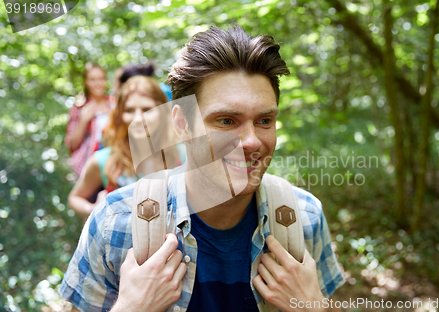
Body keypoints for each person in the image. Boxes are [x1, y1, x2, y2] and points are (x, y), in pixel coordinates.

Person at [60, 25, 344, 312]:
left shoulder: (304, 218)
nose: (251, 141)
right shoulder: (114, 224)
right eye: (226, 121)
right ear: (182, 125)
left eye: (264, 120)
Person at [67, 75, 183, 218]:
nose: (138, 118)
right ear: (119, 115)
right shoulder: (103, 161)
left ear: (162, 112)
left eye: (147, 109)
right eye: (129, 110)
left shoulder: (183, 156)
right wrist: (92, 208)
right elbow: (75, 197)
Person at [65, 63, 113, 177]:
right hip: (90, 167)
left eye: (101, 79)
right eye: (92, 80)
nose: (98, 84)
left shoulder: (114, 103)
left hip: (113, 163)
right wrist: (83, 120)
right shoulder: (79, 107)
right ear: (85, 82)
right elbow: (72, 145)